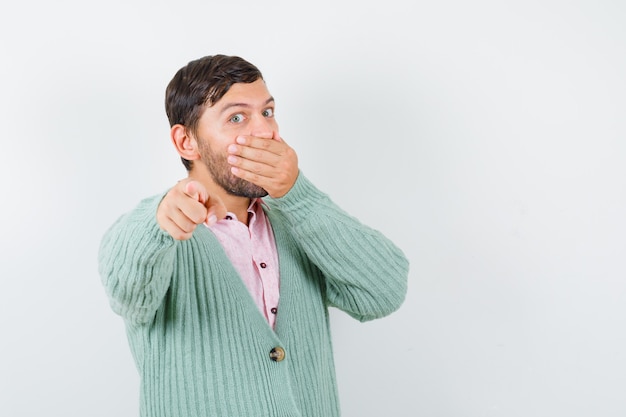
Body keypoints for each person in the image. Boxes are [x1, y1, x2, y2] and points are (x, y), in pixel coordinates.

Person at [98, 54, 409, 417]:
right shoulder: (161, 229)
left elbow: (383, 292)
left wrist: (298, 195)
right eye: (236, 117)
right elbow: (126, 291)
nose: (265, 132)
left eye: (268, 112)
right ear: (186, 142)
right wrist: (157, 223)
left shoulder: (299, 223)